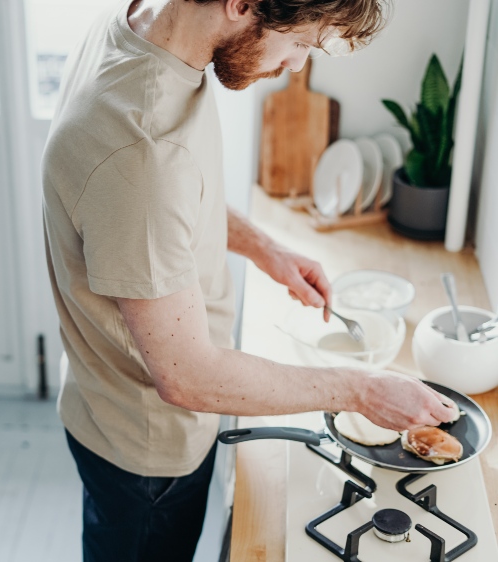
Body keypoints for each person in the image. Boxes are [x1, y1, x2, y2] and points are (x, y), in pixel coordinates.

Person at [42, 0, 457, 559]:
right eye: (303, 43)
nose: (295, 67)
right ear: (240, 5)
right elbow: (187, 376)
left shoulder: (146, 23)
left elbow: (168, 203)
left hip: (105, 393)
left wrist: (266, 248)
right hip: (145, 445)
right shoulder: (139, 149)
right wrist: (359, 389)